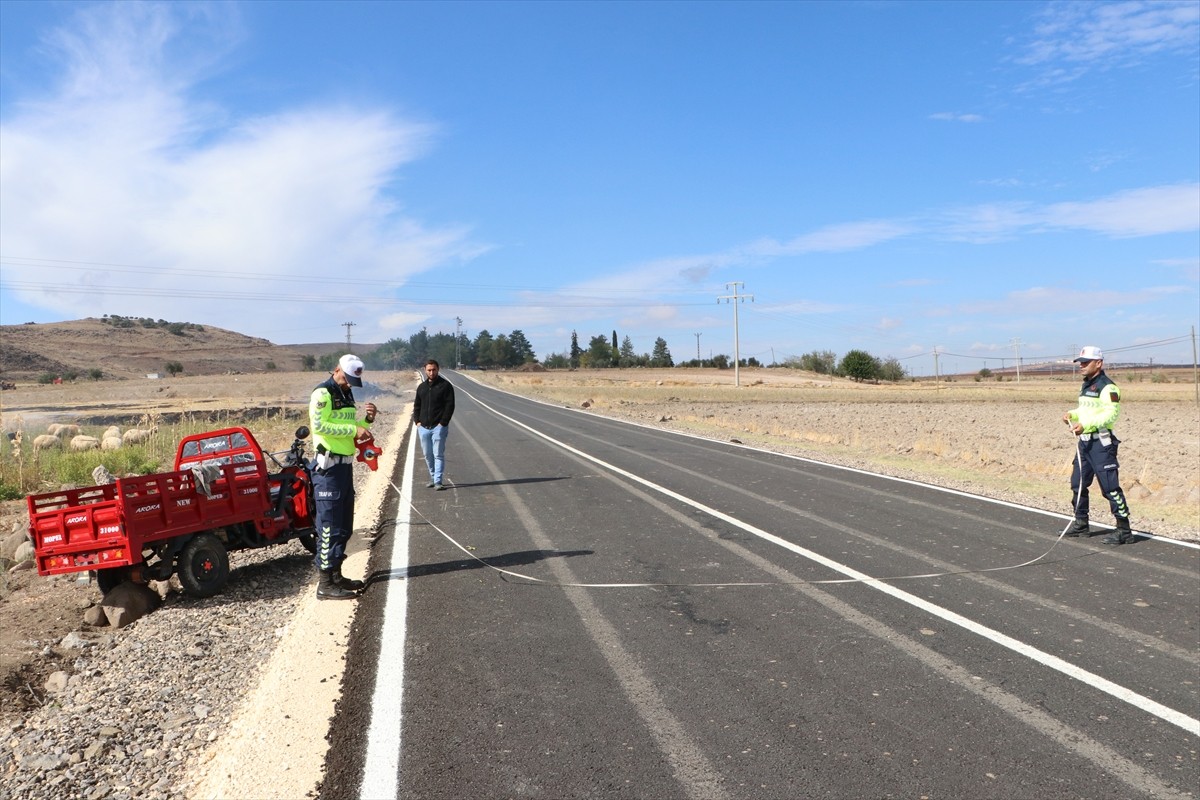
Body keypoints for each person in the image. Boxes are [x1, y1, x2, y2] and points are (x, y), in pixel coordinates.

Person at [309, 354, 377, 599]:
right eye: (347, 379)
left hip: (344, 467)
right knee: (329, 527)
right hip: (328, 469)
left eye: (353, 382)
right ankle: (325, 584)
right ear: (337, 370)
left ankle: (336, 575)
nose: (349, 384)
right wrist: (353, 428)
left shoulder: (346, 394)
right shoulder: (322, 394)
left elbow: (351, 432)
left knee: (344, 526)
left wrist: (366, 421)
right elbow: (320, 426)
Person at [1062, 346, 1134, 545]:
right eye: (1080, 362)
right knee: (1078, 484)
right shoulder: (1086, 385)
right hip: (1084, 444)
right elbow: (1084, 410)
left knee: (1110, 488)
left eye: (1086, 362)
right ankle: (1081, 523)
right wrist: (1072, 415)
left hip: (1101, 444)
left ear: (1099, 363)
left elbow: (1111, 414)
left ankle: (1124, 529)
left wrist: (1086, 426)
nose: (1082, 366)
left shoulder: (1108, 387)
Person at [413, 358, 455, 490]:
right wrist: (417, 422)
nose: (431, 372)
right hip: (423, 428)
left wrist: (443, 423)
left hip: (438, 427)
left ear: (438, 369)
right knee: (427, 454)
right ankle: (432, 476)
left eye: (434, 370)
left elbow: (450, 406)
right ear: (425, 370)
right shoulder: (421, 387)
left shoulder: (446, 386)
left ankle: (438, 481)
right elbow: (417, 406)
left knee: (438, 454)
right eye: (429, 370)